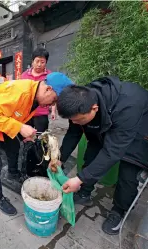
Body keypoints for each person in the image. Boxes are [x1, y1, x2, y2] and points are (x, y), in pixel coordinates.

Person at [52, 77, 148, 235]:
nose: (75, 123)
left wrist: (79, 178)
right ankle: (85, 192)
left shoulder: (129, 106)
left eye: (78, 120)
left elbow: (112, 151)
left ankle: (119, 211)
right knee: (92, 154)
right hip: (106, 122)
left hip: (138, 131)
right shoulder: (80, 102)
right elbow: (73, 133)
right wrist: (59, 158)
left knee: (128, 173)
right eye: (72, 120)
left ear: (94, 108)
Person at [0, 72, 73, 216]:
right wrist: (20, 128)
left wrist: (24, 132)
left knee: (15, 147)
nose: (52, 105)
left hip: (2, 121)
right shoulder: (21, 92)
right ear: (48, 89)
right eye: (54, 100)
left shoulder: (35, 97)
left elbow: (16, 114)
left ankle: (13, 173)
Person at [21, 47, 56, 132]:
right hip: (26, 113)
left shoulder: (50, 76)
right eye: (37, 61)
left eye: (42, 62)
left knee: (42, 137)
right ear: (32, 61)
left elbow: (53, 94)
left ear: (46, 62)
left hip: (42, 113)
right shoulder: (24, 75)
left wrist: (53, 111)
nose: (39, 64)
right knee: (27, 137)